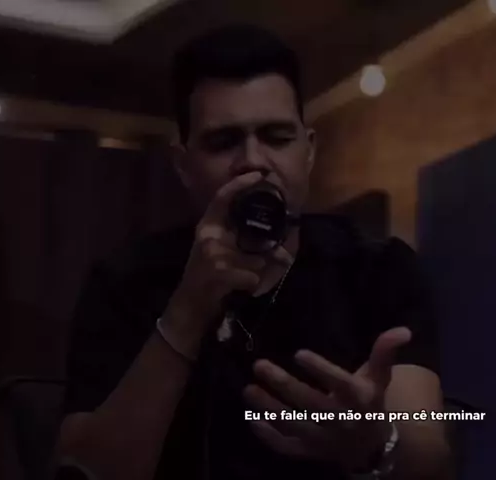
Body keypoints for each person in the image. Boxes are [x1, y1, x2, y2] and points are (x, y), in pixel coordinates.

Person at [57, 25, 452, 480]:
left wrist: (376, 445)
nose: (253, 160)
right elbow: (85, 473)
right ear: (184, 166)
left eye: (277, 137)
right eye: (223, 142)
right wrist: (187, 311)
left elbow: (431, 459)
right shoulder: (124, 282)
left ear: (308, 152)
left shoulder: (378, 268)